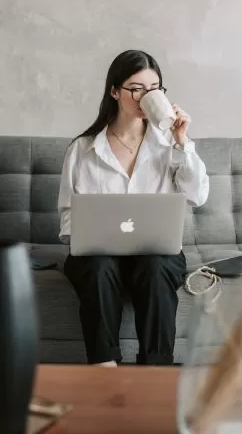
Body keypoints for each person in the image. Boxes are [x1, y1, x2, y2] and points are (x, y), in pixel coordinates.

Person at [57, 49, 210, 367]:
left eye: (154, 89)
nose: (146, 96)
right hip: (97, 256)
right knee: (98, 267)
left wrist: (182, 141)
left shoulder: (169, 145)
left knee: (156, 267)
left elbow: (197, 196)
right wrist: (87, 236)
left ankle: (156, 369)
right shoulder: (83, 149)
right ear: (115, 91)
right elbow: (69, 217)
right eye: (136, 88)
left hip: (154, 253)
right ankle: (104, 367)